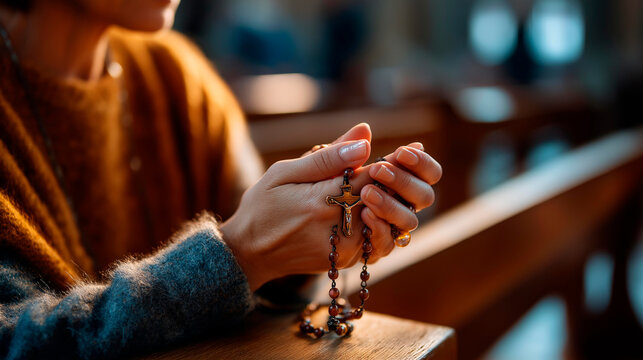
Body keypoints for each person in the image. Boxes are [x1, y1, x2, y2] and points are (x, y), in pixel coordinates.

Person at [0, 0, 442, 359]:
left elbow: (267, 255)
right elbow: (17, 343)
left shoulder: (179, 78)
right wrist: (241, 255)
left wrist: (318, 227)